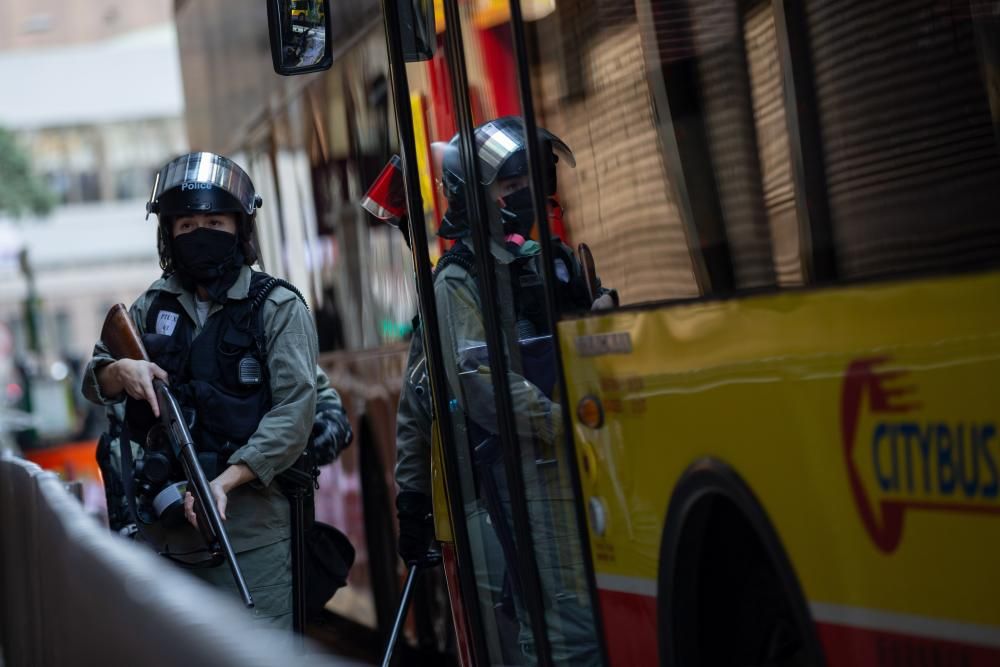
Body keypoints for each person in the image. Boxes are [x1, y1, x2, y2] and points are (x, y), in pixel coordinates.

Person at [394, 117, 614, 665]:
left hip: (576, 467)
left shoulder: (551, 263)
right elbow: (478, 383)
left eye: (528, 184)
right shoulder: (457, 281)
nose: (523, 197)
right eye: (508, 187)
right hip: (513, 474)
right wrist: (413, 496)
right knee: (563, 630)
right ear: (474, 196)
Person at [82, 152, 319, 631]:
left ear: (241, 226)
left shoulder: (276, 306)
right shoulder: (152, 304)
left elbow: (295, 414)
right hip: (167, 542)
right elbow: (95, 377)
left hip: (250, 537)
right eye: (186, 225)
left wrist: (224, 484)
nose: (200, 234)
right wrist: (122, 370)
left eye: (214, 221)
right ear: (168, 233)